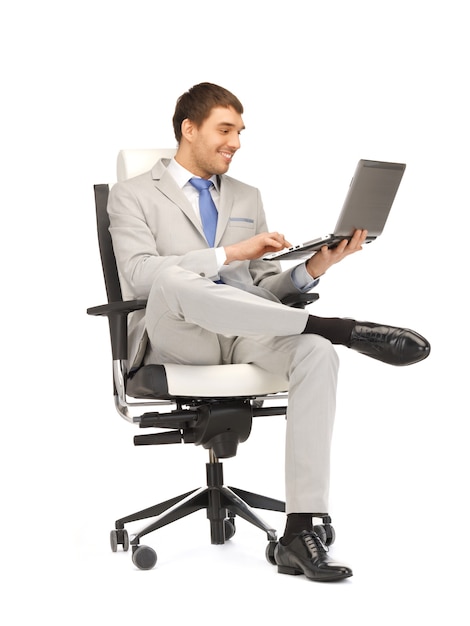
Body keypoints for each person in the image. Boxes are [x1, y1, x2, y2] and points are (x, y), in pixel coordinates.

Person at [108, 82, 430, 582]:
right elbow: (141, 276)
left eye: (239, 131)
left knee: (317, 352)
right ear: (188, 129)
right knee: (173, 275)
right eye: (225, 129)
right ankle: (343, 328)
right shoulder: (130, 195)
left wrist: (314, 269)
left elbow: (260, 290)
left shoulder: (246, 196)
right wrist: (231, 253)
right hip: (176, 333)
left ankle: (301, 530)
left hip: (243, 329)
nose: (236, 141)